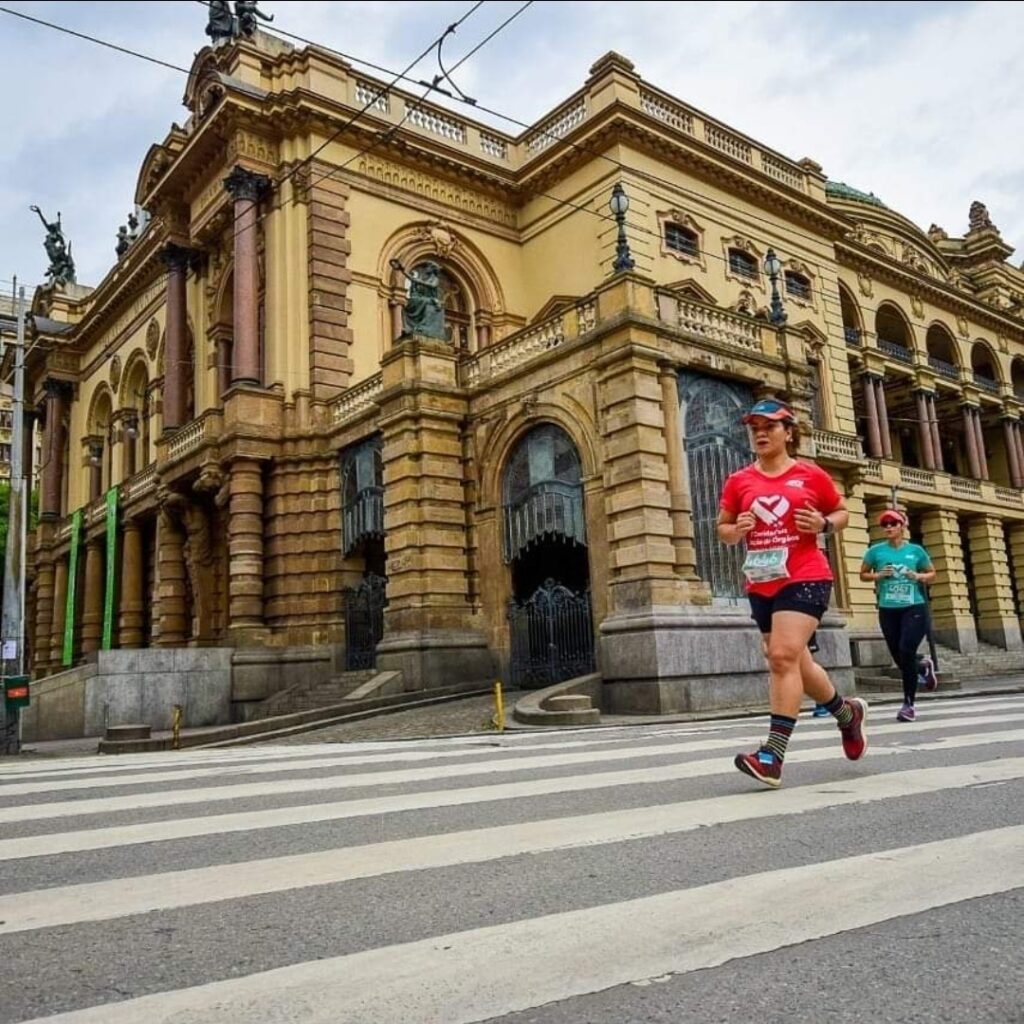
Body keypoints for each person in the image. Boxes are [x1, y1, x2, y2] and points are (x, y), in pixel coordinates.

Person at [718, 398, 868, 788]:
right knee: (794, 662)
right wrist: (737, 530)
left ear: (789, 432)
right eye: (755, 428)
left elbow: (841, 512)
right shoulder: (739, 481)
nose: (761, 433)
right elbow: (724, 528)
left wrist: (823, 524)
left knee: (782, 656)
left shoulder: (810, 474)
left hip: (806, 575)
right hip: (761, 580)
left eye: (770, 426)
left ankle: (772, 756)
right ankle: (847, 715)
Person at [860, 509, 937, 722]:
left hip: (914, 607)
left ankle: (908, 705)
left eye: (893, 523)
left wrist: (918, 575)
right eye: (885, 524)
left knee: (906, 649)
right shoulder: (875, 552)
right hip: (888, 609)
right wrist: (878, 575)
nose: (888, 528)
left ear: (902, 526)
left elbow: (932, 574)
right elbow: (863, 574)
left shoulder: (916, 551)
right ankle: (922, 666)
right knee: (899, 657)